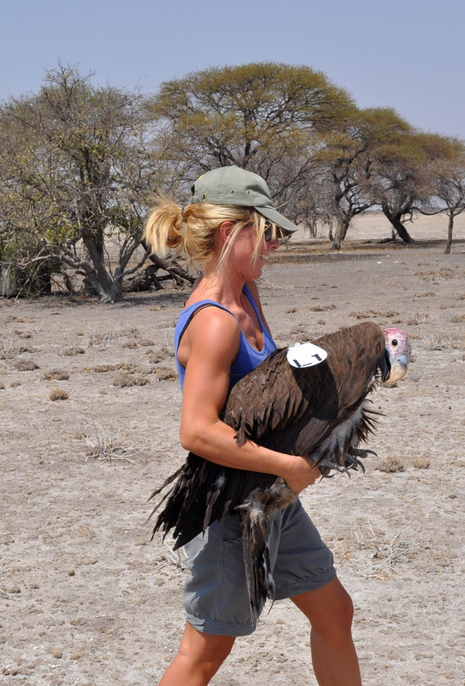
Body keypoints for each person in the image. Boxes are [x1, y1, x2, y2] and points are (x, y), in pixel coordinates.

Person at [143, 166, 362, 686]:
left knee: (335, 612)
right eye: (267, 234)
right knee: (205, 653)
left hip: (271, 497)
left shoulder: (248, 296)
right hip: (227, 506)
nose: (276, 245)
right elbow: (196, 432)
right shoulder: (215, 321)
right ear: (229, 232)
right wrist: (288, 464)